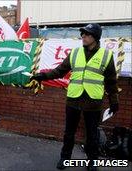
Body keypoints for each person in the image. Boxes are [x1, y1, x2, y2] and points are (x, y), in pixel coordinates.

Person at [30, 23, 119, 171]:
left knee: (92, 135)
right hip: (73, 100)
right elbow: (59, 71)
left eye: (87, 34)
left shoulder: (106, 55)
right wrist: (42, 76)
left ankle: (92, 162)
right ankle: (65, 158)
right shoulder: (75, 53)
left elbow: (111, 82)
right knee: (69, 133)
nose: (83, 36)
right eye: (82, 33)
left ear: (95, 37)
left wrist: (114, 102)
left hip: (93, 102)